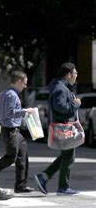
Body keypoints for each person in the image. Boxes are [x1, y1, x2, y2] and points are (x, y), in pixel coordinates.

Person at [34, 63, 81, 196]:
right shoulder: (61, 88)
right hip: (64, 127)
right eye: (75, 73)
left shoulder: (61, 86)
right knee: (69, 156)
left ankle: (44, 177)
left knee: (67, 156)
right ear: (68, 75)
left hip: (64, 126)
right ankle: (62, 187)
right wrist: (75, 104)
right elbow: (61, 107)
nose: (77, 76)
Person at [0, 71, 35, 193]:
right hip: (10, 130)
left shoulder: (5, 93)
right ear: (19, 81)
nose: (25, 86)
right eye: (24, 83)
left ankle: (21, 185)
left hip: (15, 130)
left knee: (23, 155)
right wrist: (25, 111)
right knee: (11, 157)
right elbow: (7, 114)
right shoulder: (11, 95)